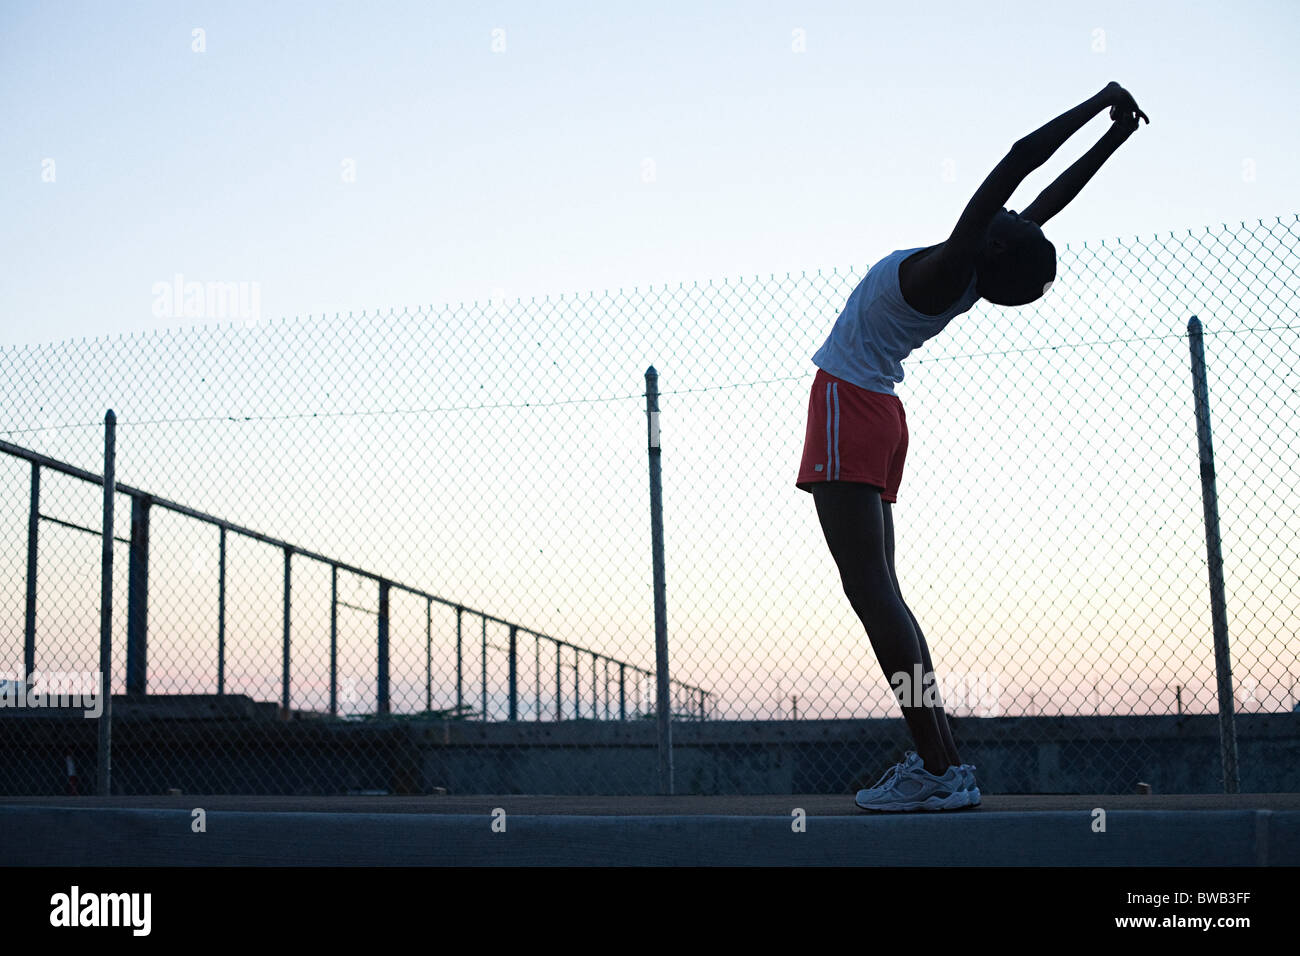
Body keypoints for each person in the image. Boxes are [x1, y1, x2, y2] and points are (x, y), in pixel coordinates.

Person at [797, 82, 1149, 811]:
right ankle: (944, 764)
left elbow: (1020, 161)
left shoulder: (956, 262)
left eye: (1008, 220)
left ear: (992, 241)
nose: (1015, 212)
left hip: (850, 405)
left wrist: (1097, 104)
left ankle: (933, 765)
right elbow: (1049, 199)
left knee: (873, 599)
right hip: (881, 413)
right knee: (885, 596)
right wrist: (1117, 140)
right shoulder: (981, 269)